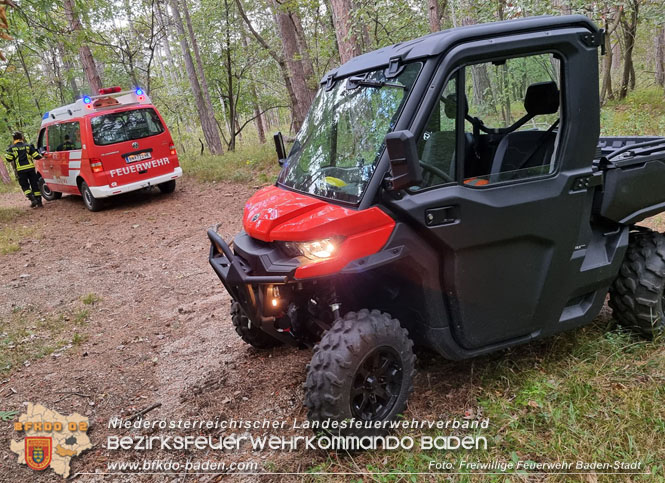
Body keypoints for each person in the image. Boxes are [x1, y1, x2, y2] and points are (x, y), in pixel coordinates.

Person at [4, 132, 43, 208]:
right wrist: (42, 155)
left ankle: (32, 199)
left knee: (25, 186)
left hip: (21, 170)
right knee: (35, 184)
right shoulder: (28, 146)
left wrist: (6, 154)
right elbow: (36, 156)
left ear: (14, 139)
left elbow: (9, 159)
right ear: (21, 138)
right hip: (30, 169)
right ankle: (39, 202)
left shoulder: (12, 148)